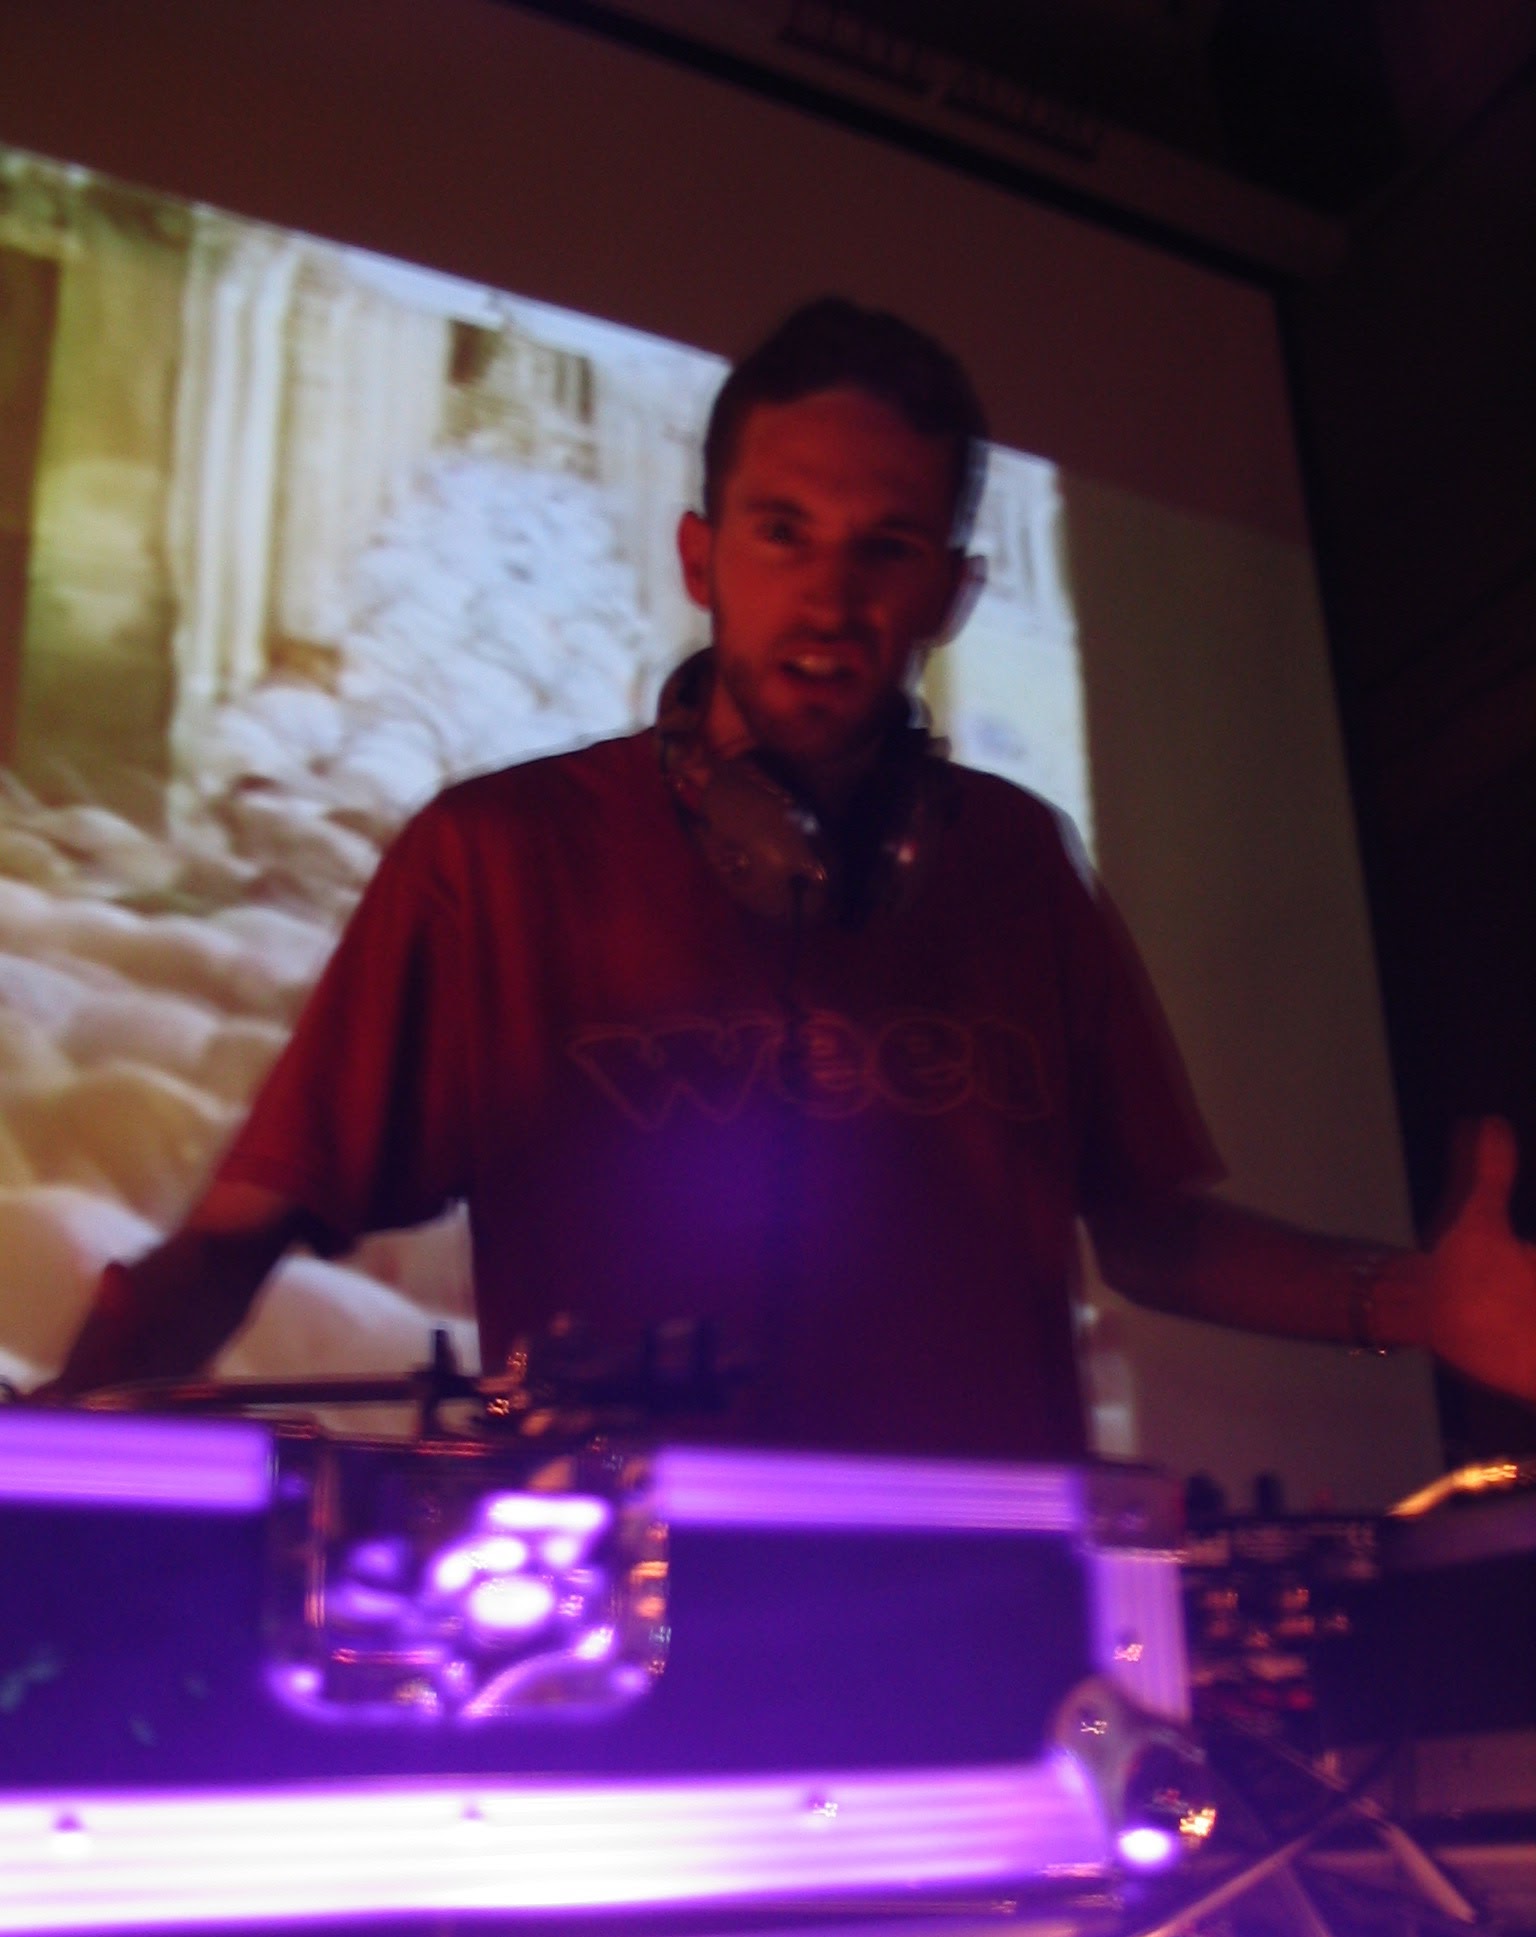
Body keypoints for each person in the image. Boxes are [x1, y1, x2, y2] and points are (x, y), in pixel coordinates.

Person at [43, 299, 1536, 1453]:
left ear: (951, 594)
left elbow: (1154, 1231)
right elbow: (244, 1234)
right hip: (621, 1638)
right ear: (702, 559)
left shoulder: (1017, 862)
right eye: (783, 533)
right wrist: (60, 1445)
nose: (829, 597)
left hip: (994, 1625)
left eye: (887, 548)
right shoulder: (494, 856)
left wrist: (1417, 1301)